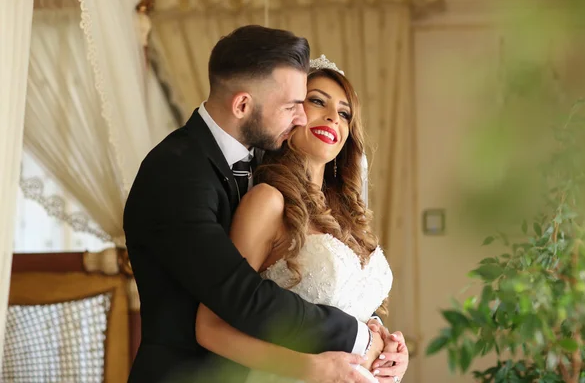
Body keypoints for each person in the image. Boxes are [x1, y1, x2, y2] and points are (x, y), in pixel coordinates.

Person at [123, 25, 400, 383]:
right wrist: (358, 338)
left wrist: (380, 338)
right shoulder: (176, 172)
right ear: (242, 104)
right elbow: (243, 296)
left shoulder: (264, 164)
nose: (302, 117)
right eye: (294, 106)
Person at [193, 55, 410, 383]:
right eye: (317, 101)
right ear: (290, 112)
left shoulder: (348, 215)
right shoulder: (268, 203)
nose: (332, 117)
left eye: (344, 113)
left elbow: (354, 312)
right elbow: (210, 328)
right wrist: (311, 369)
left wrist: (389, 351)